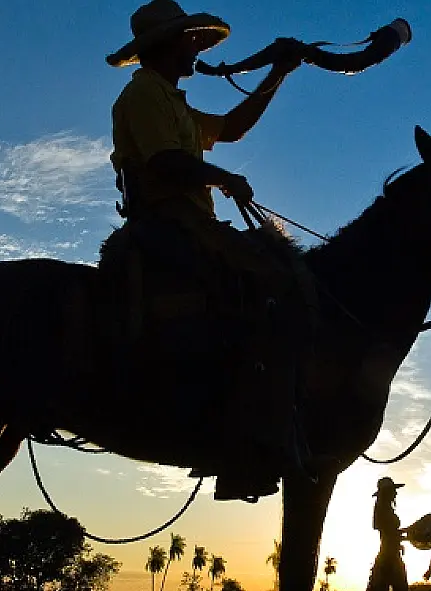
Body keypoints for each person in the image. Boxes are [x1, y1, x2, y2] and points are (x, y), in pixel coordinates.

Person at [103, 0, 313, 503]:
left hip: (192, 224)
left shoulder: (173, 102)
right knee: (252, 289)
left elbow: (232, 127)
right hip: (164, 224)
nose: (195, 45)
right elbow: (167, 163)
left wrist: (277, 75)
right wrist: (223, 177)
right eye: (187, 39)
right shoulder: (141, 96)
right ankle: (238, 440)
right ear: (163, 47)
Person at [349, 477, 416, 591]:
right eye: (393, 490)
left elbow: (389, 533)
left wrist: (405, 534)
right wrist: (407, 534)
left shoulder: (383, 508)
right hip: (389, 557)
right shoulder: (384, 509)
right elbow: (389, 533)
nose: (396, 494)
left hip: (388, 555)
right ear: (387, 492)